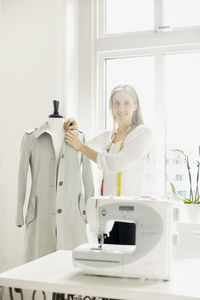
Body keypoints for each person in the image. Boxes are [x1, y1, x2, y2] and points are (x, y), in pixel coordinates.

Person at [64, 85, 153, 245]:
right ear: (111, 106)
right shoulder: (107, 137)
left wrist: (82, 146)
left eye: (127, 102)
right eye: (116, 103)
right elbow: (82, 149)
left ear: (136, 105)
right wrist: (76, 132)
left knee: (127, 265)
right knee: (108, 263)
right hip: (107, 212)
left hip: (130, 213)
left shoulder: (142, 133)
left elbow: (114, 163)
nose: (121, 108)